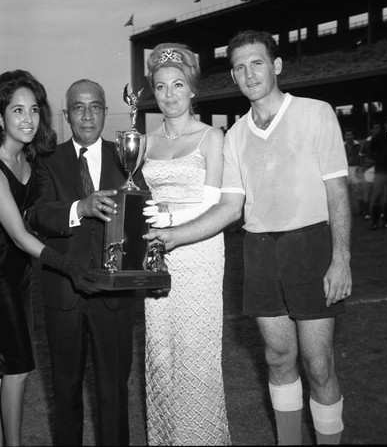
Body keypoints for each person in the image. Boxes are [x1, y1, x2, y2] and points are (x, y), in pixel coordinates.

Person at [145, 30, 352, 445]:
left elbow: (337, 190)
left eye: (256, 62)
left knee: (319, 363)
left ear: (275, 66)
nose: (248, 73)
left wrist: (341, 257)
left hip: (309, 245)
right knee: (278, 358)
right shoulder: (236, 135)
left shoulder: (316, 112)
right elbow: (231, 206)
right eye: (239, 67)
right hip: (258, 249)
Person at [0, 70, 98, 446]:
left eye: (34, 110)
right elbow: (22, 234)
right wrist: (69, 265)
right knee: (20, 366)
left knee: (2, 364)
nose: (28, 119)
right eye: (17, 110)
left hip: (21, 269)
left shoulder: (29, 160)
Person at [25, 79, 136, 446]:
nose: (87, 115)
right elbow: (37, 215)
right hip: (64, 293)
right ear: (66, 114)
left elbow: (139, 216)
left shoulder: (127, 155)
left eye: (95, 106)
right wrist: (79, 208)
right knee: (66, 392)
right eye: (79, 107)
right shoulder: (46, 160)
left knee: (114, 392)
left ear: (106, 111)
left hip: (113, 295)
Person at [141, 43, 231, 445]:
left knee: (196, 358)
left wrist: (172, 221)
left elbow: (213, 205)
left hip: (200, 251)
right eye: (161, 87)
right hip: (159, 256)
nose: (170, 94)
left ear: (192, 88)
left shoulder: (212, 136)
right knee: (160, 356)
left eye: (178, 84)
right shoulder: (145, 141)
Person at [358, 122, 381, 220]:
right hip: (369, 169)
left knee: (379, 191)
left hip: (381, 168)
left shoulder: (384, 140)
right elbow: (361, 155)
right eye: (375, 127)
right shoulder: (366, 142)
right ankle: (367, 212)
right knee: (368, 191)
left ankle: (379, 211)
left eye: (379, 127)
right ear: (371, 130)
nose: (378, 129)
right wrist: (364, 167)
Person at [343, 128, 363, 216]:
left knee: (359, 191)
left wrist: (361, 167)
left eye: (351, 135)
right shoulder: (341, 145)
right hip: (345, 169)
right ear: (344, 136)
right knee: (347, 191)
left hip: (356, 168)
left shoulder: (358, 145)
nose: (349, 137)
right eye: (347, 135)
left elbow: (362, 157)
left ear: (353, 136)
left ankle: (363, 210)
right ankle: (348, 211)